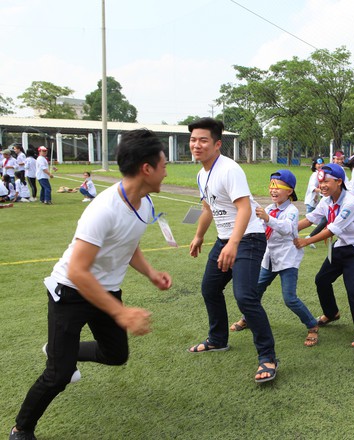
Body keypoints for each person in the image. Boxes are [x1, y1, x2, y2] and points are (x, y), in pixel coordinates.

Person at [9, 129, 173, 440]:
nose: (166, 170)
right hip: (71, 292)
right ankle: (21, 429)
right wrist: (122, 313)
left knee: (116, 355)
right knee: (57, 376)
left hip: (106, 292)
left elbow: (127, 243)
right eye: (164, 164)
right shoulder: (103, 209)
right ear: (147, 169)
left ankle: (57, 352)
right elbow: (78, 270)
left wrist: (150, 273)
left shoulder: (145, 203)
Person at [186, 117, 278, 384]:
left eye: (203, 140)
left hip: (248, 238)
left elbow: (245, 208)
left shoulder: (230, 169)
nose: (197, 145)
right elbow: (207, 209)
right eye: (193, 140)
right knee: (210, 288)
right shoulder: (202, 173)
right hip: (225, 238)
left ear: (217, 144)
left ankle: (268, 357)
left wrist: (233, 244)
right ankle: (217, 339)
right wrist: (198, 235)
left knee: (245, 297)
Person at [230, 170, 320, 347]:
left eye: (278, 187)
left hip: (287, 260)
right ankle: (247, 318)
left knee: (289, 298)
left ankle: (312, 325)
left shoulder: (292, 211)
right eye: (271, 187)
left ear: (289, 191)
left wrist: (267, 218)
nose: (273, 191)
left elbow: (287, 228)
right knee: (254, 292)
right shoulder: (270, 209)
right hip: (268, 258)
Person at [295, 163, 354, 348]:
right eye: (320, 182)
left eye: (326, 181)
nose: (322, 185)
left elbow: (333, 229)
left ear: (339, 181)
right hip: (342, 245)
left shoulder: (350, 202)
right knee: (322, 280)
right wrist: (287, 228)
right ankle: (332, 313)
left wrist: (306, 241)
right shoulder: (326, 201)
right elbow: (310, 219)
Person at [302, 157, 326, 248]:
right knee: (309, 220)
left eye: (321, 163)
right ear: (314, 165)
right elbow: (312, 187)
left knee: (319, 219)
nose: (320, 165)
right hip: (311, 201)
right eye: (318, 164)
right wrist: (322, 190)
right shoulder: (315, 175)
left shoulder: (322, 174)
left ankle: (313, 236)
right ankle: (310, 237)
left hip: (316, 201)